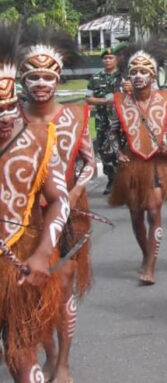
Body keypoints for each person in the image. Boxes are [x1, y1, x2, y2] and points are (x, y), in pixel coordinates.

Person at [18, 26, 95, 383]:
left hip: (69, 216)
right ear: (22, 81)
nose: (40, 83)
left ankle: (62, 363)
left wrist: (75, 192)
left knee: (61, 289)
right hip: (21, 218)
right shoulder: (12, 120)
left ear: (58, 78)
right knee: (30, 293)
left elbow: (89, 162)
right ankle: (44, 354)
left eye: (47, 76)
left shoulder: (76, 116)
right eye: (32, 76)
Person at [0, 23, 70, 383]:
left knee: (21, 348)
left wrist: (43, 252)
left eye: (9, 107)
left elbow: (59, 201)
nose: (3, 118)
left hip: (18, 260)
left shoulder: (40, 140)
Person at [108, 41, 167, 285]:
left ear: (153, 75)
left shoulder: (165, 99)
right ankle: (146, 254)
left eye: (144, 72)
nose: (138, 76)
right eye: (134, 72)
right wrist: (118, 153)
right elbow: (112, 132)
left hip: (157, 163)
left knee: (153, 210)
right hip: (132, 165)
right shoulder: (121, 102)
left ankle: (150, 266)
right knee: (136, 214)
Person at [86, 44, 124, 194]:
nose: (107, 61)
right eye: (105, 58)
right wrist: (104, 102)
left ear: (116, 59)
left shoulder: (123, 76)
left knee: (122, 148)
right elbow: (88, 98)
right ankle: (112, 180)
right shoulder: (95, 78)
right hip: (103, 120)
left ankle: (124, 180)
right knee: (104, 150)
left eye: (110, 57)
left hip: (121, 120)